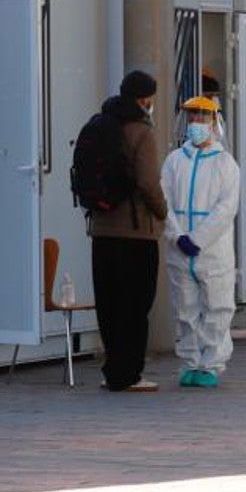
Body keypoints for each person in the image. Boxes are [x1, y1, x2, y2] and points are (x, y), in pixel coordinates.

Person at [88, 70, 169, 393]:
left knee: (109, 303)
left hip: (102, 229)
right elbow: (148, 182)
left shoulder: (99, 124)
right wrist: (163, 212)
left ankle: (112, 370)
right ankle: (129, 374)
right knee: (136, 305)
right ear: (145, 99)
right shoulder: (141, 132)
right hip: (137, 233)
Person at [161, 96, 241, 388]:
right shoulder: (174, 161)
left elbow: (226, 208)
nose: (197, 124)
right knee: (185, 308)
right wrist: (177, 235)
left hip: (213, 251)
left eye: (203, 119)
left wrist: (198, 239)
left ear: (214, 123)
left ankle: (211, 363)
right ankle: (191, 362)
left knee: (218, 307)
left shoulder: (225, 164)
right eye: (192, 118)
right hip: (179, 249)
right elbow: (163, 201)